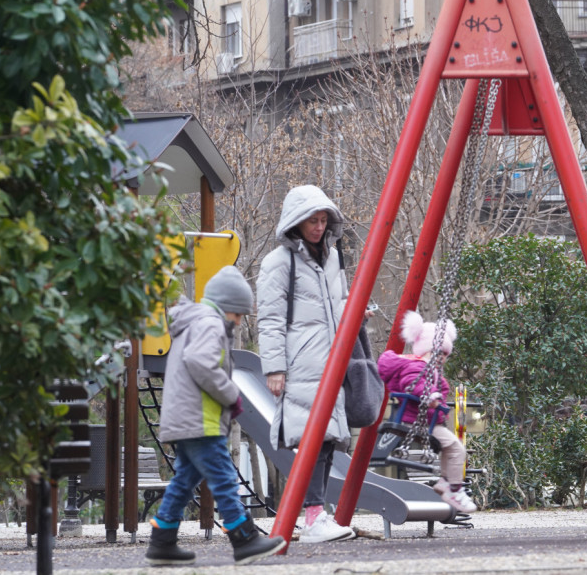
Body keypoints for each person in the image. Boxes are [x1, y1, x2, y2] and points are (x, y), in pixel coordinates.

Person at [146, 266, 286, 566]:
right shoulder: (210, 323)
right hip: (199, 419)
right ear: (227, 307)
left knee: (185, 479)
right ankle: (244, 538)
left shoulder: (198, 321)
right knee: (224, 477)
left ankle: (163, 541)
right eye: (238, 314)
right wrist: (231, 395)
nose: (238, 322)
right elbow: (200, 362)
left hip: (188, 418)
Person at [257, 185, 356, 543]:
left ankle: (316, 514)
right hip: (301, 362)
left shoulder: (331, 258)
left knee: (329, 439)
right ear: (296, 222)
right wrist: (274, 367)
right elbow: (268, 319)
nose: (317, 226)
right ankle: (313, 515)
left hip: (331, 360)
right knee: (314, 439)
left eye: (322, 219)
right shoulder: (278, 263)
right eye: (311, 220)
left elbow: (341, 303)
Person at [377, 310, 477, 514]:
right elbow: (412, 384)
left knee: (453, 449)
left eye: (445, 355)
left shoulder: (428, 370)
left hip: (425, 422)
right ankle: (454, 489)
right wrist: (431, 396)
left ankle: (446, 483)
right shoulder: (417, 366)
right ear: (424, 350)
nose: (441, 358)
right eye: (437, 353)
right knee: (457, 450)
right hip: (417, 423)